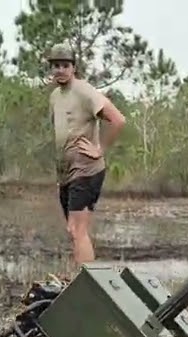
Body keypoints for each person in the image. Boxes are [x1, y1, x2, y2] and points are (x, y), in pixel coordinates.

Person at [46, 42, 127, 266]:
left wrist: (100, 148)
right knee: (74, 230)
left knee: (77, 229)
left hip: (87, 170)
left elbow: (118, 120)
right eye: (55, 65)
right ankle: (82, 280)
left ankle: (86, 285)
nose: (60, 70)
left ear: (73, 67)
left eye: (65, 65)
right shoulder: (55, 96)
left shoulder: (84, 91)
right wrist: (60, 177)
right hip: (67, 174)